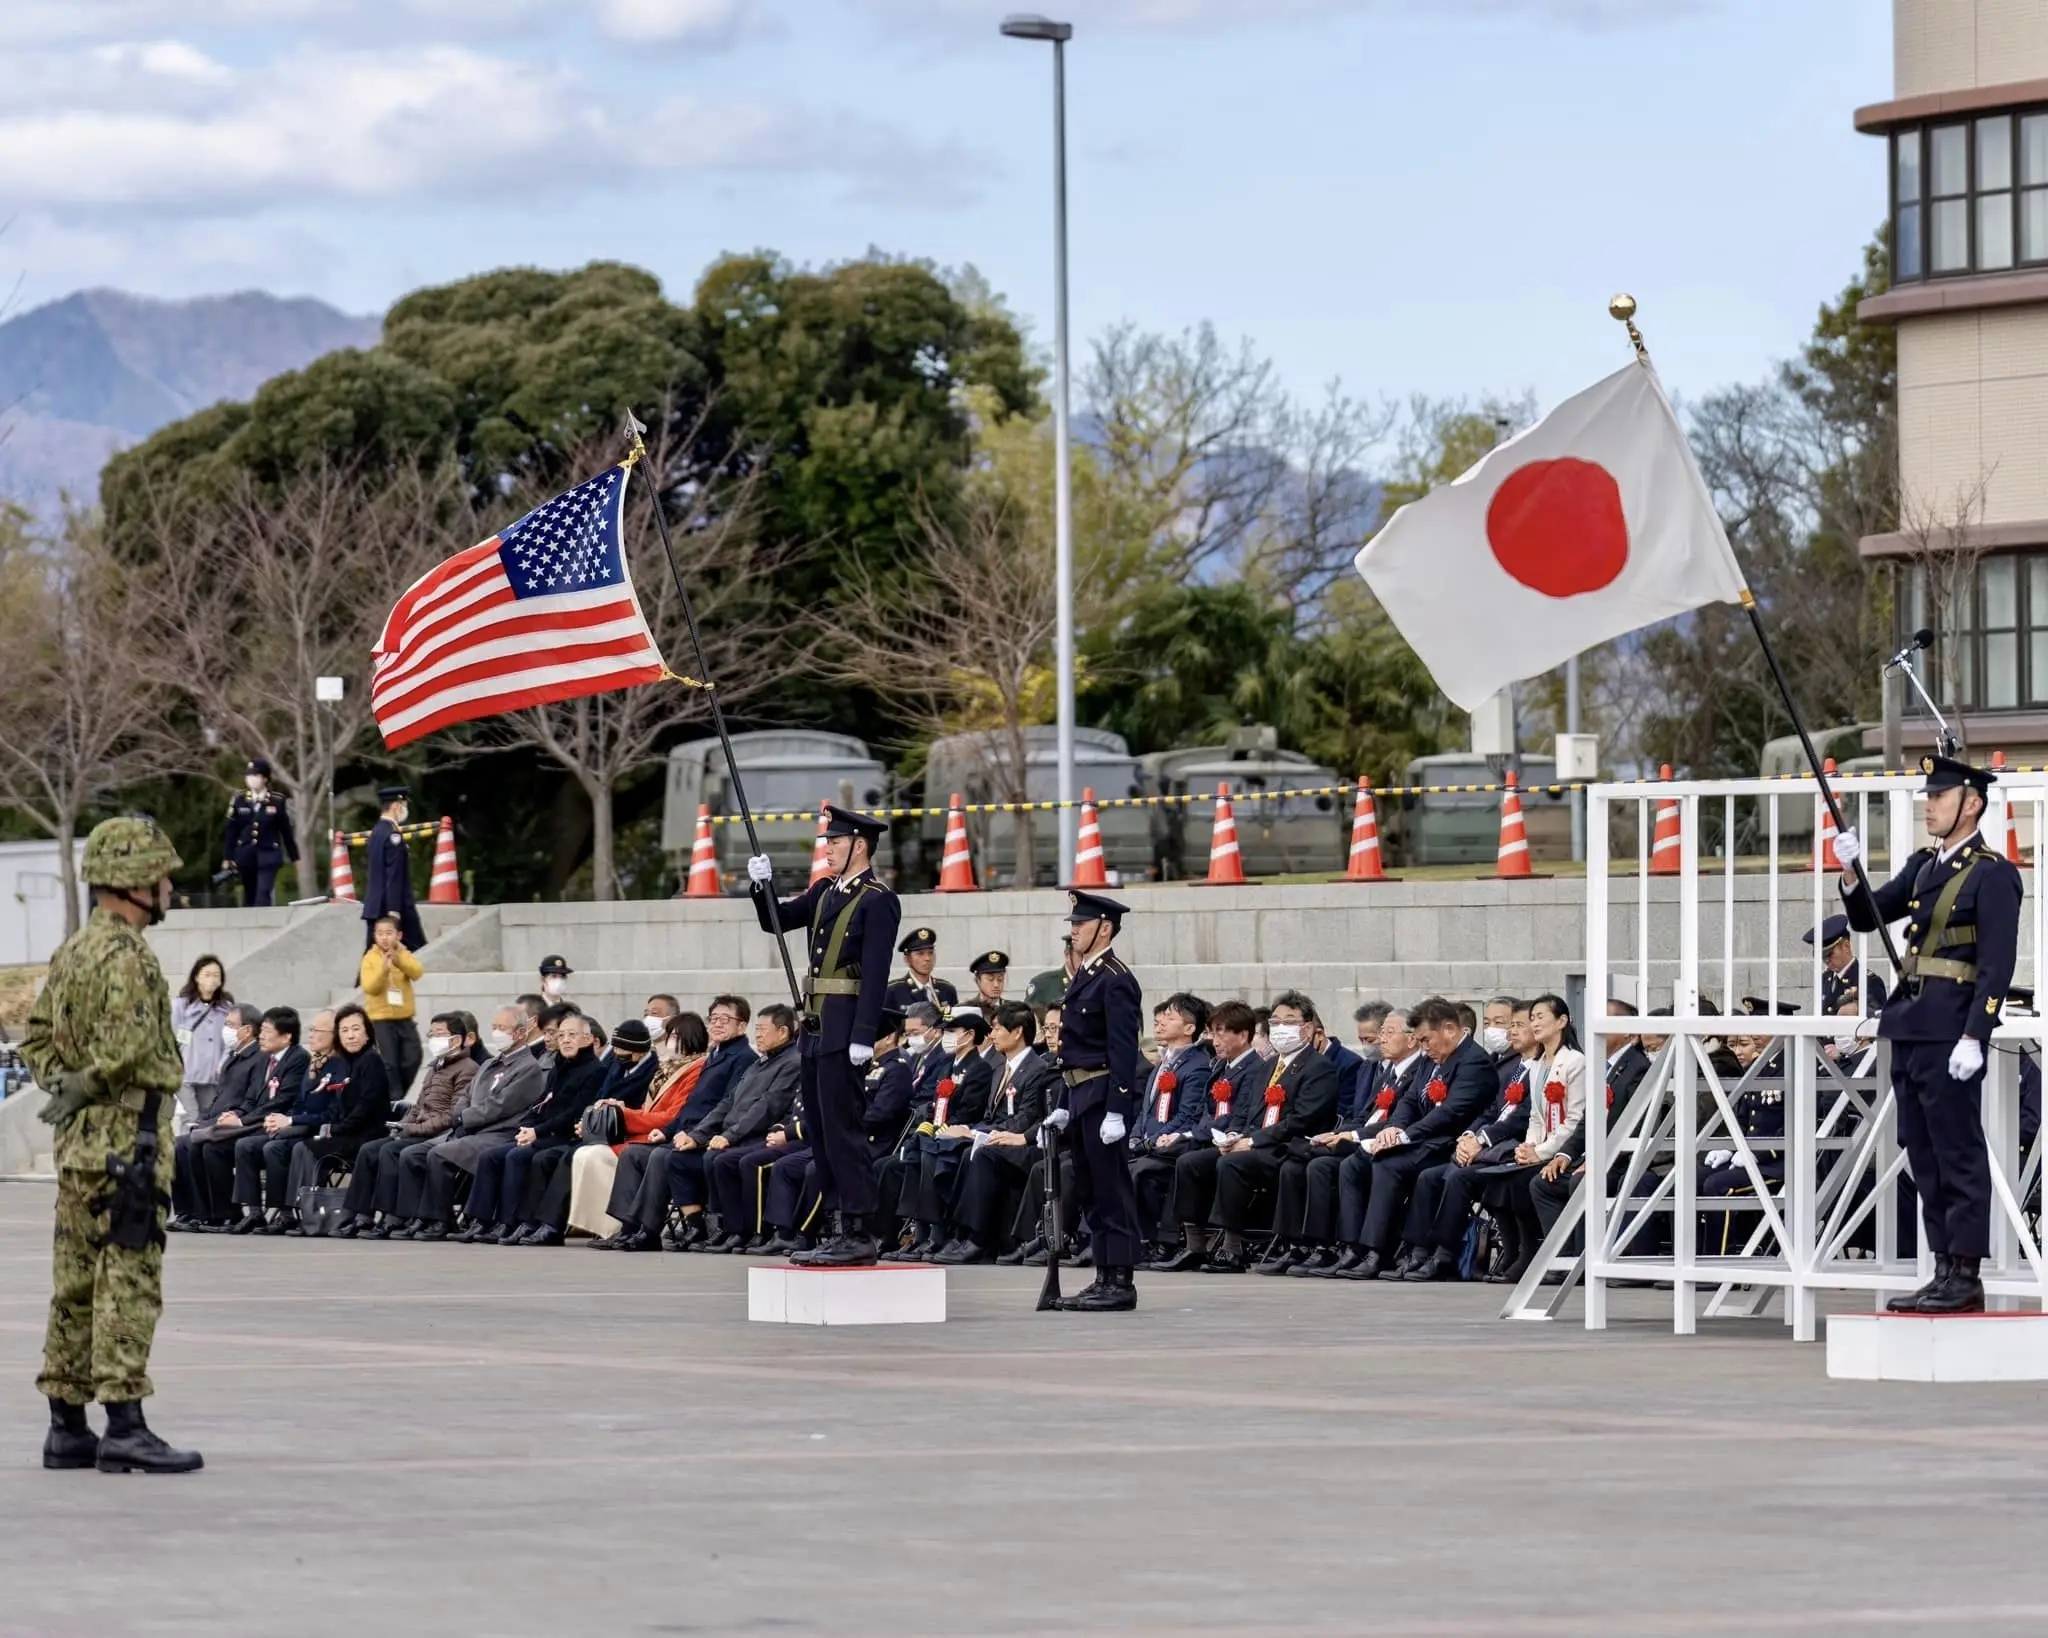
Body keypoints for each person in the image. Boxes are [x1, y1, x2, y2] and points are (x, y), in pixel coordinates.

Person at [23, 814, 202, 1473]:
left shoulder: (74, 949)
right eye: (160, 876)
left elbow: (35, 1035)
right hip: (129, 1139)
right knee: (128, 1278)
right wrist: (92, 1081)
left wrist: (65, 1087)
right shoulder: (127, 955)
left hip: (80, 1143)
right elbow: (127, 1050)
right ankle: (124, 1422)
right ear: (133, 883)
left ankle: (66, 1425)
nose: (167, 886)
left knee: (73, 1283)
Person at [1836, 753, 2024, 1315]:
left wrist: (1976, 1032)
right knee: (1920, 1149)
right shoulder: (1923, 866)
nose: (1929, 805)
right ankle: (1941, 1265)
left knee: (1956, 1150)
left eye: (1939, 797)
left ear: (1972, 803)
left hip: (1951, 1031)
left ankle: (1965, 1271)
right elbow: (1870, 916)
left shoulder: (1993, 873)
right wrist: (1851, 875)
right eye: (1928, 797)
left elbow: (1996, 964)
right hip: (1912, 1024)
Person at [746, 804, 901, 1266]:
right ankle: (835, 1223)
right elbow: (775, 920)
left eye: (835, 842)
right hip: (815, 1027)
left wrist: (864, 1035)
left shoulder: (878, 899)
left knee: (845, 1132)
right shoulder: (824, 891)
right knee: (821, 1132)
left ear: (860, 844)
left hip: (845, 1029)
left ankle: (858, 1228)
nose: (828, 849)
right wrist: (762, 886)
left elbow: (875, 973)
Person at [1400, 993, 1583, 1282]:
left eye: (1536, 1019)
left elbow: (1571, 1119)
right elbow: (1527, 1115)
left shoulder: (1573, 1062)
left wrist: (1541, 1151)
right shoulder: (1524, 1067)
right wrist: (1479, 1137)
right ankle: (1425, 1250)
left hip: (1552, 1149)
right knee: (1445, 1176)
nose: (1520, 1028)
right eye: (1527, 1020)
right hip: (1523, 1146)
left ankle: (1523, 1253)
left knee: (1492, 1179)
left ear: (1562, 1021)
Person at [1040, 890, 1145, 1312]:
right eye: (1072, 925)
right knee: (1090, 1187)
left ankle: (1120, 1279)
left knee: (1111, 1188)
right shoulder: (1086, 974)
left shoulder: (1116, 978)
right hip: (1082, 1093)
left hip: (1104, 1097)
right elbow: (1076, 1047)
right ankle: (1103, 1274)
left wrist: (1119, 1109)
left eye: (1080, 925)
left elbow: (1122, 1050)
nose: (1074, 932)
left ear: (1105, 927)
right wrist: (1066, 1100)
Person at [1346, 995, 1499, 1279]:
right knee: (1360, 1161)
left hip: (1452, 1143)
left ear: (1450, 1030)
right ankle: (1361, 1248)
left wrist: (1404, 1135)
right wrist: (1394, 1128)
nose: (1423, 1047)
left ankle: (1380, 1251)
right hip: (1427, 1140)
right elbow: (1412, 1100)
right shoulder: (1432, 1059)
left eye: (1427, 1039)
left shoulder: (1473, 1062)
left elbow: (1451, 1113)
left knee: (1391, 1165)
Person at [588, 1002, 755, 1250]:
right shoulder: (715, 1056)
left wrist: (696, 1135)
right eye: (714, 1018)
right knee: (633, 1153)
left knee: (658, 1157)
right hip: (683, 1132)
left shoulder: (743, 1058)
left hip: (707, 1136)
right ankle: (628, 1227)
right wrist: (666, 1131)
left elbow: (726, 1106)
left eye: (725, 1019)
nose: (717, 1024)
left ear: (742, 1025)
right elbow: (690, 1106)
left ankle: (649, 1230)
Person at [1206, 992, 1340, 1273]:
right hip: (1260, 1142)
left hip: (1290, 1146)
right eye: (1275, 1021)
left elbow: (1302, 1119)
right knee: (1201, 1159)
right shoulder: (1267, 1066)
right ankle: (1197, 1241)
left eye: (1289, 1021)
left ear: (1306, 1028)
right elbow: (1246, 1110)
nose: (1280, 1028)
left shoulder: (1319, 1068)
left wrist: (1253, 1141)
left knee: (1233, 1164)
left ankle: (1235, 1246)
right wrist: (1234, 1135)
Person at [393, 1006, 547, 1240]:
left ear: (520, 1033)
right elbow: (466, 1095)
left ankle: (441, 1220)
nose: (497, 1033)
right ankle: (415, 1217)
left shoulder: (529, 1068)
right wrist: (460, 1116)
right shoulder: (489, 1064)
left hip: (499, 1132)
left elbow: (500, 1105)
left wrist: (464, 1118)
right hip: (470, 1129)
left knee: (439, 1153)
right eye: (494, 1027)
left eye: (502, 1028)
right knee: (412, 1153)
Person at [506, 1017, 659, 1246]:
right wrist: (589, 1121)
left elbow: (640, 1109)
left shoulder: (650, 1071)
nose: (617, 1053)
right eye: (616, 1048)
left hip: (626, 1133)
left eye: (623, 1049)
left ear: (638, 1050)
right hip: (598, 1130)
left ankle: (552, 1225)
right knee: (540, 1157)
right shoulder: (618, 1065)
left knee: (565, 1156)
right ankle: (527, 1221)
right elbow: (595, 1100)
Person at [456, 1011, 606, 1243]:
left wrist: (537, 1132)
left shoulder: (594, 1071)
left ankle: (513, 1222)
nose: (565, 1040)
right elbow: (542, 1104)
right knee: (491, 1156)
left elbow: (574, 1113)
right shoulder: (560, 1066)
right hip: (544, 1132)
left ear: (587, 1040)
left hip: (567, 1136)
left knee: (521, 1157)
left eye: (572, 1035)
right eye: (562, 1035)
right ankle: (482, 1220)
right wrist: (527, 1127)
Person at [926, 1003, 1056, 1263]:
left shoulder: (1035, 1069)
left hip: (1026, 1144)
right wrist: (973, 1131)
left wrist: (981, 1134)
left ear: (1017, 1031)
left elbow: (1026, 1117)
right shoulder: (1000, 1069)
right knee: (963, 1152)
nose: (992, 1035)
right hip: (1002, 1138)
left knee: (984, 1155)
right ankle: (959, 1233)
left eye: (997, 1028)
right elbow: (991, 1116)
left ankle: (977, 1239)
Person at [1148, 1002, 1272, 1272]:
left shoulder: (1256, 1069)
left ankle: (1232, 1246)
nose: (1214, 1040)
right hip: (1212, 1135)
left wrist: (1223, 1136)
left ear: (1242, 1035)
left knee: (1199, 1161)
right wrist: (1194, 1132)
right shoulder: (1220, 1066)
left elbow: (1243, 1114)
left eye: (1221, 1033)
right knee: (1183, 1159)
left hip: (1237, 1139)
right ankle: (1194, 1243)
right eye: (1212, 1033)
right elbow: (1206, 1110)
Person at [568, 1013, 709, 1240]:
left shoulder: (694, 1068)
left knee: (605, 1155)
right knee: (586, 1153)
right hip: (646, 1132)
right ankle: (609, 1225)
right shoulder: (668, 1068)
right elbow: (649, 1112)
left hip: (660, 1136)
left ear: (688, 1038)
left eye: (672, 1036)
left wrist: (623, 1115)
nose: (666, 1041)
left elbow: (670, 1116)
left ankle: (620, 1226)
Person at [338, 1012, 479, 1238]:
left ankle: (394, 1216)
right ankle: (357, 1214)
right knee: (369, 1149)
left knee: (391, 1151)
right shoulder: (435, 1067)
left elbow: (452, 1116)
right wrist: (401, 1125)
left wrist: (412, 1129)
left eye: (440, 1034)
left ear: (458, 1039)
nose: (434, 1039)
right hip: (417, 1129)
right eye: (431, 1034)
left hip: (439, 1133)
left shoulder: (468, 1068)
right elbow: (418, 1106)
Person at [880, 1007, 993, 1255]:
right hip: (938, 1134)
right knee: (911, 1153)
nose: (947, 1036)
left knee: (928, 1153)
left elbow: (968, 1111)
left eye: (952, 1031)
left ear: (970, 1035)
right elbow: (934, 1106)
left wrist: (940, 1130)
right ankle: (916, 1231)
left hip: (959, 1136)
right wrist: (927, 1128)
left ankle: (936, 1231)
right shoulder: (946, 1066)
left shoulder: (979, 1068)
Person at [193, 1008, 308, 1231]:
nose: (261, 1036)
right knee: (211, 1147)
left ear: (286, 1037)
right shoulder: (266, 1058)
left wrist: (241, 1122)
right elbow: (251, 1098)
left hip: (279, 1124)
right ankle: (233, 1212)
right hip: (256, 1120)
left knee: (247, 1145)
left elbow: (281, 1101)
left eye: (266, 1031)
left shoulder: (298, 1058)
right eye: (261, 1030)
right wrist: (237, 1114)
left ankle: (277, 1213)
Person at [281, 1004, 394, 1230]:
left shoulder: (371, 1061)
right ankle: (302, 1212)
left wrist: (334, 1129)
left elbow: (365, 1107)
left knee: (307, 1147)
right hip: (347, 1132)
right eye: (344, 1031)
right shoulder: (348, 1063)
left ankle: (314, 1214)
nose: (350, 1035)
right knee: (302, 1147)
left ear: (367, 1033)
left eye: (355, 1029)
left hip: (366, 1134)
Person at [226, 1009, 336, 1232]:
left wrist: (289, 1120)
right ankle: (255, 1213)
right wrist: (282, 1119)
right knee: (246, 1145)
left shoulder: (325, 1063)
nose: (311, 1035)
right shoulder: (314, 1062)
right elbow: (299, 1102)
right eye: (311, 1030)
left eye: (317, 1030)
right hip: (299, 1122)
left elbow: (327, 1110)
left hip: (318, 1129)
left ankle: (285, 1213)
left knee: (274, 1147)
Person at [1125, 995, 1215, 1255]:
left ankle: (1147, 1241)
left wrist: (1152, 1141)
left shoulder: (1197, 1066)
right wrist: (1136, 1137)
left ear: (1189, 1029)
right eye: (1162, 1016)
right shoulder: (1163, 1063)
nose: (1161, 1022)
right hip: (1150, 1144)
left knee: (1142, 1171)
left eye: (1170, 1017)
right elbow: (1145, 1110)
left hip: (1172, 1147)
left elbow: (1186, 1116)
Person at [169, 1004, 266, 1230]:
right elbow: (219, 1097)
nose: (226, 1030)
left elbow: (249, 1100)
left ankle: (221, 1213)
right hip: (217, 1120)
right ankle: (188, 1211)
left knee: (202, 1146)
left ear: (247, 1030)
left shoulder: (258, 1059)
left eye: (231, 1025)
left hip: (237, 1124)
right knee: (178, 1145)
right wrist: (204, 1120)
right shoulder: (234, 1057)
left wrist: (229, 1118)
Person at [359, 914, 424, 1097]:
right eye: (379, 933)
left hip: (405, 1017)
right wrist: (384, 969)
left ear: (399, 935)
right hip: (380, 1020)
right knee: (389, 1063)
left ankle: (395, 1095)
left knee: (414, 1057)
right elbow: (370, 987)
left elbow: (417, 972)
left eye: (389, 933)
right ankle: (393, 1099)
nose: (384, 937)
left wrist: (399, 961)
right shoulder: (370, 958)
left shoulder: (403, 953)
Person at [221, 757, 299, 908]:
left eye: (255, 775)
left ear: (265, 778)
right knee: (249, 895)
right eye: (249, 775)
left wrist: (295, 857)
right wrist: (227, 857)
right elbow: (231, 830)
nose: (251, 779)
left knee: (263, 893)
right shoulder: (239, 799)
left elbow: (286, 831)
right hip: (245, 855)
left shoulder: (277, 800)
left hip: (269, 854)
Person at [169, 954, 234, 1136]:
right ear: (196, 977)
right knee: (192, 1117)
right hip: (185, 1074)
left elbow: (229, 1042)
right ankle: (182, 1155)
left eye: (216, 975)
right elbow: (171, 1038)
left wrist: (222, 1063)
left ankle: (199, 1158)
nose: (212, 979)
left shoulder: (226, 1008)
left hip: (213, 1075)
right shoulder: (180, 1006)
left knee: (209, 1118)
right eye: (207, 974)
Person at [361, 784, 425, 951]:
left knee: (373, 958)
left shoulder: (377, 831)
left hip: (376, 905)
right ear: (397, 806)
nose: (405, 809)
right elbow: (393, 875)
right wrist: (394, 911)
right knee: (417, 953)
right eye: (404, 805)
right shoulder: (392, 834)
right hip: (393, 907)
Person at [1806, 914, 1886, 1015]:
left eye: (1829, 954)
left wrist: (1856, 1010)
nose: (1826, 960)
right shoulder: (1825, 979)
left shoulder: (1868, 981)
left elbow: (1876, 1020)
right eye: (1822, 957)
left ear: (1846, 946)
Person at [885, 928, 958, 1012]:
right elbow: (884, 1023)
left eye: (930, 953)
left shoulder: (947, 990)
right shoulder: (893, 991)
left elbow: (953, 1020)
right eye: (920, 954)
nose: (927, 958)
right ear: (907, 959)